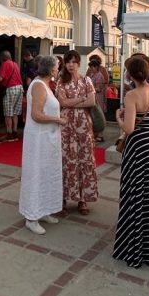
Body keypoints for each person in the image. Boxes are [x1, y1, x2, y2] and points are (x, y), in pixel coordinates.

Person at [113, 55, 149, 268]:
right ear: (147, 73)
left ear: (130, 75)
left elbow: (129, 128)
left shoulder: (131, 95)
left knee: (137, 193)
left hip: (138, 148)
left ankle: (136, 244)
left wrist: (118, 117)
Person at [19, 55, 66, 235]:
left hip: (47, 139)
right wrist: (58, 119)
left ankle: (43, 210)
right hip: (39, 139)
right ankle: (31, 218)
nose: (58, 69)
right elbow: (36, 115)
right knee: (37, 175)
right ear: (51, 69)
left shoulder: (45, 84)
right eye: (57, 66)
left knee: (46, 174)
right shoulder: (38, 85)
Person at [55, 51, 98, 215]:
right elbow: (62, 102)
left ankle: (83, 199)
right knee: (66, 160)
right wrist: (81, 99)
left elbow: (92, 101)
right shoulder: (61, 81)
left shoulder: (87, 80)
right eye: (68, 62)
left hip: (84, 127)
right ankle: (63, 198)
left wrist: (71, 103)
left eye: (73, 62)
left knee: (84, 160)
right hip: (66, 126)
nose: (70, 65)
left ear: (79, 63)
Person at [0, 50, 24, 141]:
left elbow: (0, 79)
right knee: (15, 113)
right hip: (20, 88)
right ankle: (15, 132)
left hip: (11, 88)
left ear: (2, 57)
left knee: (8, 113)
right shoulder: (15, 64)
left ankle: (9, 133)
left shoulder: (5, 64)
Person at [85, 55, 110, 143]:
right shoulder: (92, 74)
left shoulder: (99, 75)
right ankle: (96, 134)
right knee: (94, 115)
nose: (91, 69)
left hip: (98, 97)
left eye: (92, 67)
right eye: (90, 67)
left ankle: (100, 135)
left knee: (99, 115)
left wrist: (89, 89)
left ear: (96, 67)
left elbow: (99, 88)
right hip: (94, 97)